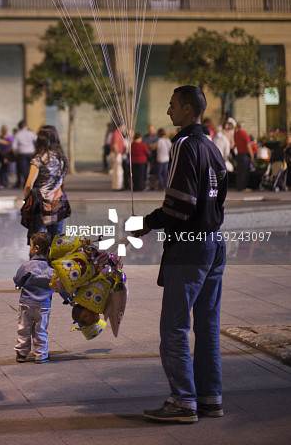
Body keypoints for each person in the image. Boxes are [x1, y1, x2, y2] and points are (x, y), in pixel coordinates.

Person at [135, 86, 227, 424]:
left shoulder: (185, 145)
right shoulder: (213, 148)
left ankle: (183, 401)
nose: (168, 111)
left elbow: (179, 205)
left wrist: (144, 224)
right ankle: (210, 398)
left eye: (172, 105)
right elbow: (218, 201)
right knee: (207, 326)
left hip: (189, 247)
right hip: (214, 244)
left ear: (188, 110)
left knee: (174, 327)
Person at [13, 232, 54, 364]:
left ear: (36, 248)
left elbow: (18, 279)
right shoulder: (53, 268)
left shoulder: (27, 265)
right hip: (44, 305)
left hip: (26, 303)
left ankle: (21, 352)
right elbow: (60, 285)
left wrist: (20, 284)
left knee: (23, 328)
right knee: (40, 330)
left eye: (30, 246)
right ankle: (41, 355)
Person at [23, 124, 69, 239]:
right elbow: (61, 181)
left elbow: (29, 185)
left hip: (40, 204)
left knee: (38, 239)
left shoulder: (39, 159)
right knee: (56, 240)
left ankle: (38, 257)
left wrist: (26, 200)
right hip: (58, 202)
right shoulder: (62, 158)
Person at [12, 120, 37, 189]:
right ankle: (32, 182)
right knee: (32, 169)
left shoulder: (17, 134)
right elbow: (36, 140)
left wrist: (15, 152)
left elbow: (14, 146)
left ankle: (27, 183)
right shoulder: (31, 133)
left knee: (24, 170)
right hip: (31, 153)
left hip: (22, 154)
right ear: (25, 126)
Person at [234, 121, 254, 191]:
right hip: (245, 155)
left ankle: (239, 186)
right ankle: (243, 187)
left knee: (239, 171)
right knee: (244, 172)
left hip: (239, 154)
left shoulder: (235, 134)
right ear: (242, 127)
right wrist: (252, 156)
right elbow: (248, 146)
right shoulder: (244, 134)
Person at [108, 124, 127, 190]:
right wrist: (116, 155)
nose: (124, 130)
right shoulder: (116, 134)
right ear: (120, 127)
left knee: (117, 170)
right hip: (117, 154)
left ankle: (117, 186)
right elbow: (115, 145)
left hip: (118, 154)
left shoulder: (118, 134)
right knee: (118, 170)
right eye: (123, 128)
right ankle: (117, 186)